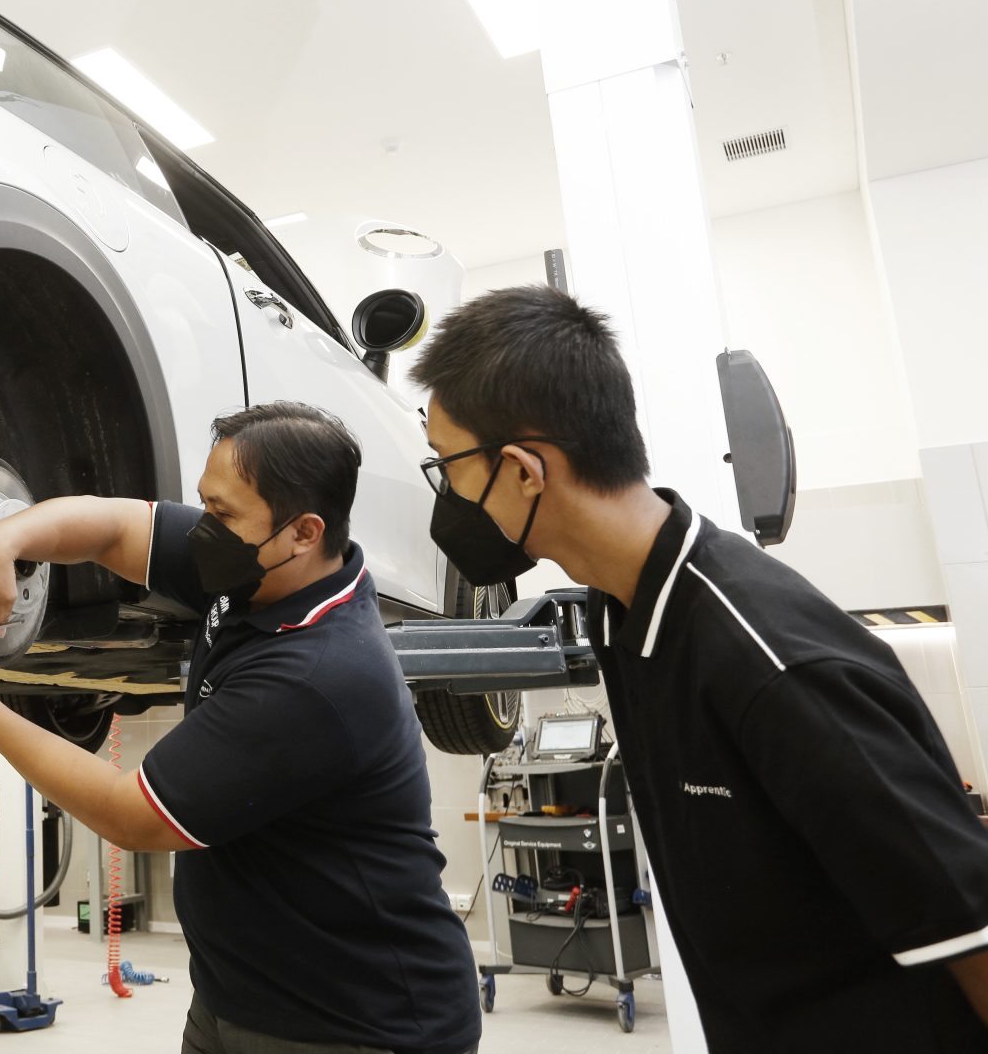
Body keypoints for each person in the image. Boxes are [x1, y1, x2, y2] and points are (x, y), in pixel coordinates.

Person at [411, 285, 988, 1050]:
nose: (445, 496)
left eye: (447, 466)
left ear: (523, 470)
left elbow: (969, 932)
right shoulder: (625, 613)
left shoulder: (769, 661)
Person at [0, 401, 481, 1054]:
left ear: (304, 531)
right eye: (207, 504)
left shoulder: (319, 672)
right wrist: (0, 539)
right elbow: (114, 526)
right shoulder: (257, 570)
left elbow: (133, 816)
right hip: (237, 997)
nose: (204, 525)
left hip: (360, 1023)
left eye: (223, 513)